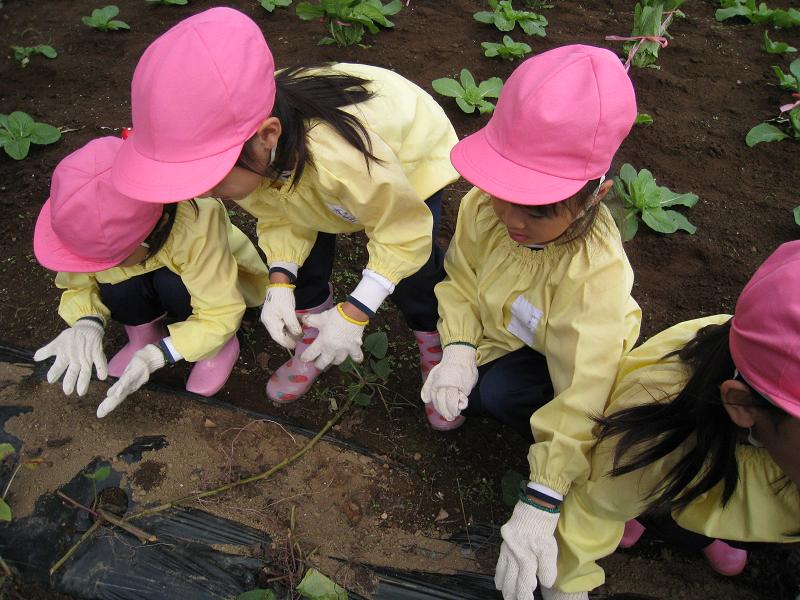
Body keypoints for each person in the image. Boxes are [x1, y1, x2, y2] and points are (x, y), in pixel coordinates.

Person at [110, 7, 460, 413]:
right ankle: (312, 331)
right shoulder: (245, 145)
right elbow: (278, 210)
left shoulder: (340, 159)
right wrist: (280, 281)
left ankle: (432, 340)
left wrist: (356, 311)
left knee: (415, 272)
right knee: (304, 259)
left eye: (210, 178)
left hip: (403, 160)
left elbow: (401, 228)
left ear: (268, 136)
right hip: (319, 174)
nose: (204, 192)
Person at [417, 45, 642, 595]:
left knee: (578, 417)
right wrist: (459, 350)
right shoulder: (483, 208)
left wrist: (544, 494)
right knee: (488, 393)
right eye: (503, 193)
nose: (510, 218)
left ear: (596, 196)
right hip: (513, 333)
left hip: (579, 362)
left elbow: (585, 385)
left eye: (537, 209)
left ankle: (589, 481)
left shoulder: (593, 275)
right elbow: (462, 278)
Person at [535, 241, 800, 600]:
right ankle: (648, 513)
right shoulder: (659, 419)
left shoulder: (765, 388)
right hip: (670, 463)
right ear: (740, 403)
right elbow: (592, 504)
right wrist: (567, 583)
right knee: (642, 486)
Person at [33, 136, 268, 418]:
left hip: (210, 288)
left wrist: (162, 354)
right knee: (118, 288)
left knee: (175, 285)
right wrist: (87, 321)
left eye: (113, 257)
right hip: (150, 270)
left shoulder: (196, 224)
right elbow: (79, 281)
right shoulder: (81, 219)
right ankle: (143, 335)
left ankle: (217, 347)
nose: (95, 266)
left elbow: (219, 308)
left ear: (156, 227)